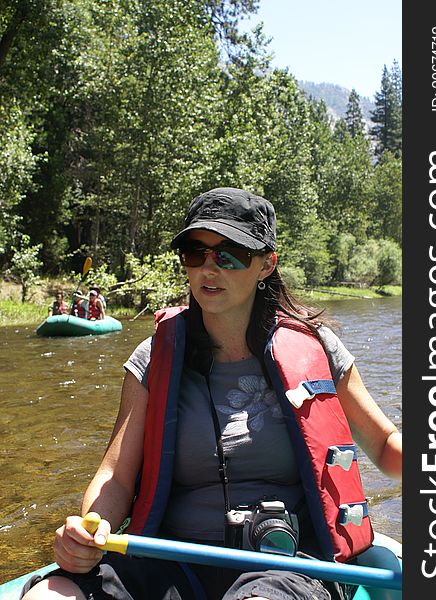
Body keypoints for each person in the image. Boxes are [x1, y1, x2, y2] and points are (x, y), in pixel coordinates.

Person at [23, 188, 402, 600]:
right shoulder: (153, 357)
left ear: (266, 265)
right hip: (169, 558)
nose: (209, 267)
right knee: (50, 594)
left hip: (287, 564)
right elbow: (115, 476)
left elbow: (383, 445)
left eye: (230, 254)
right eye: (195, 252)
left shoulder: (319, 349)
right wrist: (91, 525)